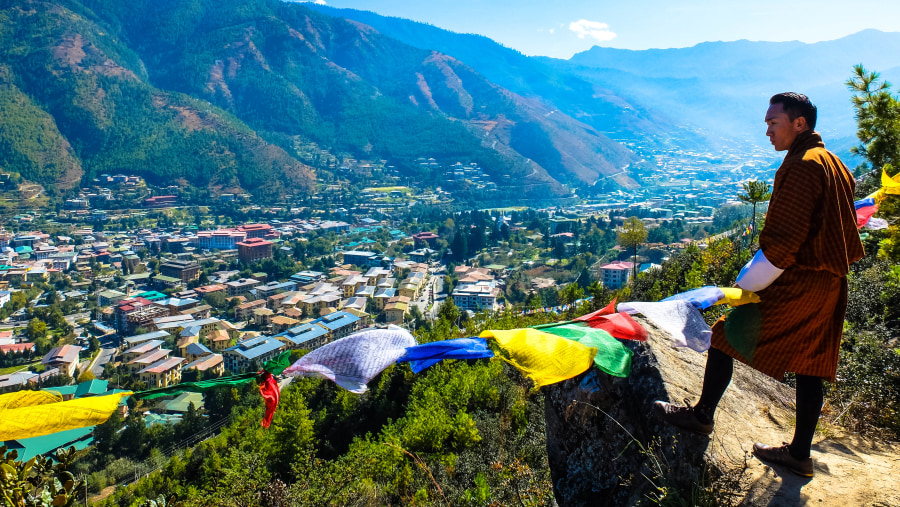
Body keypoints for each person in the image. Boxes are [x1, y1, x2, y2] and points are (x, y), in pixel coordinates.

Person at [654, 92, 865, 478]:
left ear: (799, 123)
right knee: (810, 365)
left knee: (725, 335)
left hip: (800, 280)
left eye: (773, 122)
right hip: (831, 282)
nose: (767, 130)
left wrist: (744, 285)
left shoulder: (802, 164)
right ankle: (800, 454)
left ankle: (702, 416)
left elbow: (784, 243)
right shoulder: (834, 162)